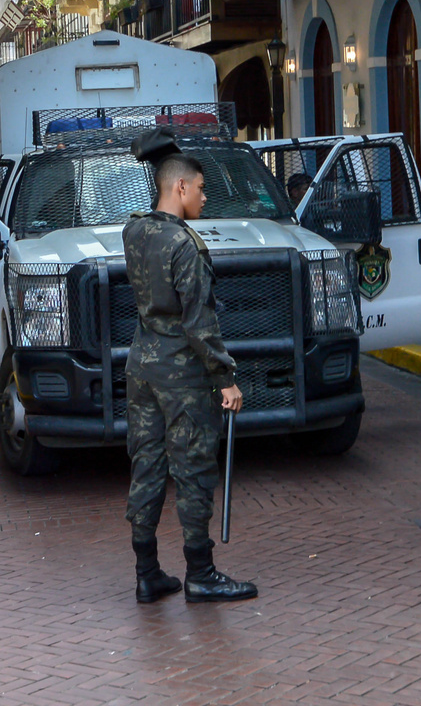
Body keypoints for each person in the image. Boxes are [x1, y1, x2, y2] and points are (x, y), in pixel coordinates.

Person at [123, 130, 257, 604]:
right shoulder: (186, 246)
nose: (205, 196)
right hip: (182, 374)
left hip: (142, 365)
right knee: (194, 467)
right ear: (180, 188)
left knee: (147, 467)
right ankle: (200, 573)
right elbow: (200, 321)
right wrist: (226, 379)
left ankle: (147, 573)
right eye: (200, 188)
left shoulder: (134, 230)